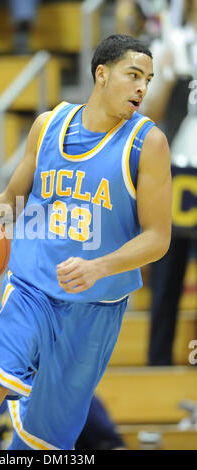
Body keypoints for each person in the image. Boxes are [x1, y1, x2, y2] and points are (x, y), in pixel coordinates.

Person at [0, 34, 171, 450]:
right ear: (101, 74)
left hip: (94, 308)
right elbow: (11, 202)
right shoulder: (48, 125)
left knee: (44, 444)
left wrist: (99, 266)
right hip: (31, 288)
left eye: (147, 79)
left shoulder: (148, 144)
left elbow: (158, 238)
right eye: (133, 75)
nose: (142, 88)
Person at [140, 0, 197, 365]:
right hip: (178, 170)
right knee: (166, 273)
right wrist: (166, 77)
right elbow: (148, 113)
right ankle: (157, 365)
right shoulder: (169, 42)